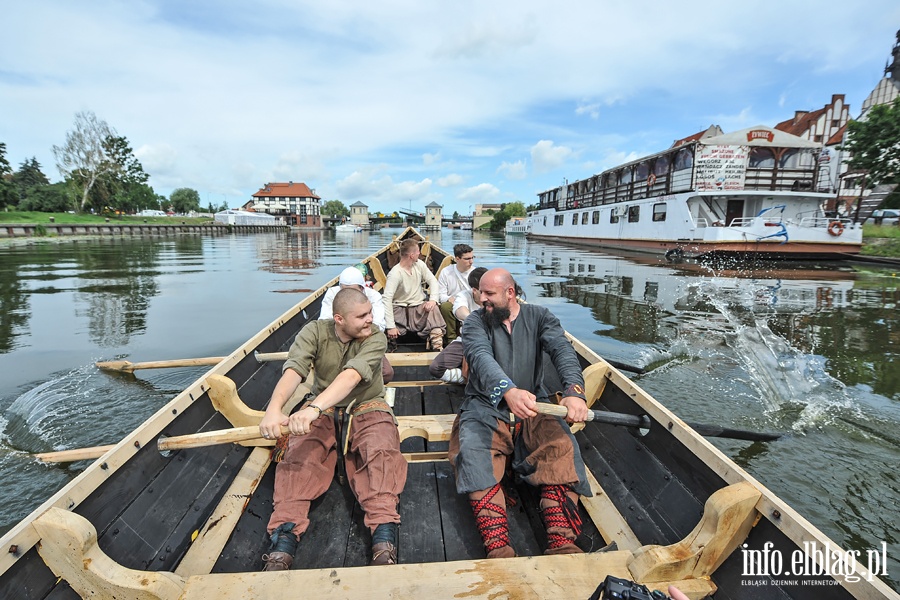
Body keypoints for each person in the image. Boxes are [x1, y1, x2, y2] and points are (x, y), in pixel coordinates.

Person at [258, 288, 407, 570]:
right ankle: (283, 543)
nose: (370, 319)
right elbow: (295, 370)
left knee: (381, 453)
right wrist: (274, 410)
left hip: (367, 405)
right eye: (362, 315)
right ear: (339, 319)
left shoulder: (375, 336)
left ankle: (383, 539)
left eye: (370, 313)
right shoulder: (313, 331)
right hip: (323, 407)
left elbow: (351, 377)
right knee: (298, 457)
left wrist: (312, 409)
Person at [448, 268, 591, 558]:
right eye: (480, 293)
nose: (481, 299)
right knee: (474, 455)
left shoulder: (541, 316)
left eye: (489, 294)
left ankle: (561, 541)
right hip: (484, 405)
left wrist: (575, 393)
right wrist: (507, 390)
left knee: (563, 449)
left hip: (535, 405)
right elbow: (479, 356)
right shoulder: (475, 321)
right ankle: (498, 546)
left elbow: (562, 351)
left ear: (510, 293)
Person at [320, 266, 393, 383]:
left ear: (362, 288)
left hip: (364, 340)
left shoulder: (374, 296)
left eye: (353, 290)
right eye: (344, 290)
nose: (349, 294)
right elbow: (324, 321)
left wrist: (352, 328)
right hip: (338, 341)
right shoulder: (332, 294)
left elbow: (378, 326)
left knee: (386, 373)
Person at [383, 238, 446, 351]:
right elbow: (387, 299)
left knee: (434, 308)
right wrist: (390, 326)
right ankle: (391, 342)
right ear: (411, 255)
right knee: (385, 316)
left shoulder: (419, 265)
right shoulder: (395, 274)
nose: (419, 253)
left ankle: (437, 344)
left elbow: (433, 281)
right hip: (399, 309)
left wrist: (433, 300)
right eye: (417, 251)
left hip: (418, 308)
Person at [429, 266, 487, 384]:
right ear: (474, 290)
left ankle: (475, 378)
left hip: (492, 341)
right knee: (436, 368)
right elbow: (459, 310)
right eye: (483, 291)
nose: (486, 296)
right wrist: (472, 319)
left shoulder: (496, 298)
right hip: (466, 339)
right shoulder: (464, 295)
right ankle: (470, 379)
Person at [437, 244, 475, 343]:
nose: (471, 261)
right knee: (446, 307)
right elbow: (441, 294)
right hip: (452, 302)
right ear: (457, 259)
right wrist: (448, 299)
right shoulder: (446, 272)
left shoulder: (475, 273)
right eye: (467, 259)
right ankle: (451, 339)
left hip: (470, 302)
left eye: (472, 258)